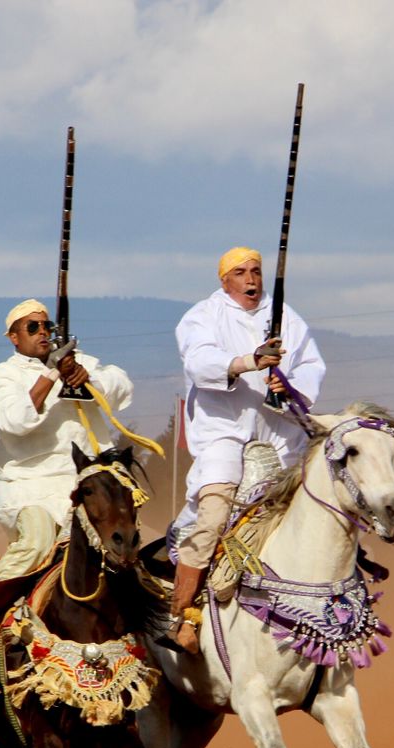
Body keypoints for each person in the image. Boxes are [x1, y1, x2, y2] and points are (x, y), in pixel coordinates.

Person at [166, 247, 326, 652]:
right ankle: (182, 616)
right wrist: (249, 361)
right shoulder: (204, 315)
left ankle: (333, 602)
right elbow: (200, 362)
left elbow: (311, 366)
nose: (251, 279)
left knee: (321, 506)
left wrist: (288, 385)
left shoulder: (286, 316)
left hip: (279, 434)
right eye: (241, 273)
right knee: (214, 513)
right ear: (225, 281)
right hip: (224, 432)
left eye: (256, 271)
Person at [0, 299, 136, 579]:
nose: (42, 331)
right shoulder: (3, 376)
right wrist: (52, 373)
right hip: (30, 482)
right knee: (36, 543)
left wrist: (89, 379)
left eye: (46, 326)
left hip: (87, 479)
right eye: (32, 327)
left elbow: (123, 387)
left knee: (124, 539)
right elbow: (15, 420)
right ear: (14, 338)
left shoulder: (77, 361)